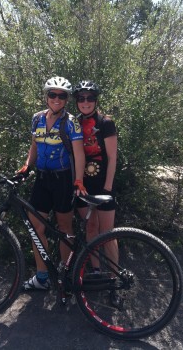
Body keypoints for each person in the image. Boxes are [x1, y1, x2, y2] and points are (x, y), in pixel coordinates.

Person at [18, 76, 87, 290]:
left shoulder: (71, 121)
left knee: (65, 228)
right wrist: (26, 166)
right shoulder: (37, 118)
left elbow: (79, 153)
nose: (57, 99)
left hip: (63, 179)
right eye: (52, 94)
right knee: (36, 227)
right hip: (41, 179)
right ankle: (42, 277)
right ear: (46, 96)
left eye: (62, 95)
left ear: (66, 99)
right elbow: (35, 147)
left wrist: (79, 180)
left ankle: (66, 273)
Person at [72, 80, 118, 275]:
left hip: (103, 183)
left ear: (96, 100)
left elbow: (112, 157)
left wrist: (107, 188)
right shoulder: (74, 122)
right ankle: (96, 270)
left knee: (107, 233)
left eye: (90, 98)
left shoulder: (106, 123)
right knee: (91, 228)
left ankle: (115, 274)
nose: (85, 102)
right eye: (81, 98)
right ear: (76, 101)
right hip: (83, 183)